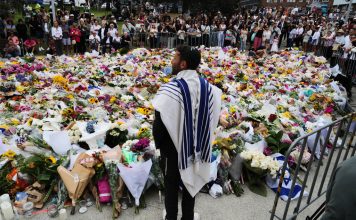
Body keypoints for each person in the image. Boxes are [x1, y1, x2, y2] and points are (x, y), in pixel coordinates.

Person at [152, 45, 222, 220]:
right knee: (192, 180)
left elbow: (159, 123)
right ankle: (188, 216)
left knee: (171, 185)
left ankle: (171, 217)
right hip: (196, 146)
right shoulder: (209, 89)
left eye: (175, 57)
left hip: (171, 147)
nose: (172, 61)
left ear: (183, 64)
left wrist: (159, 144)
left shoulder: (171, 89)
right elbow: (213, 117)